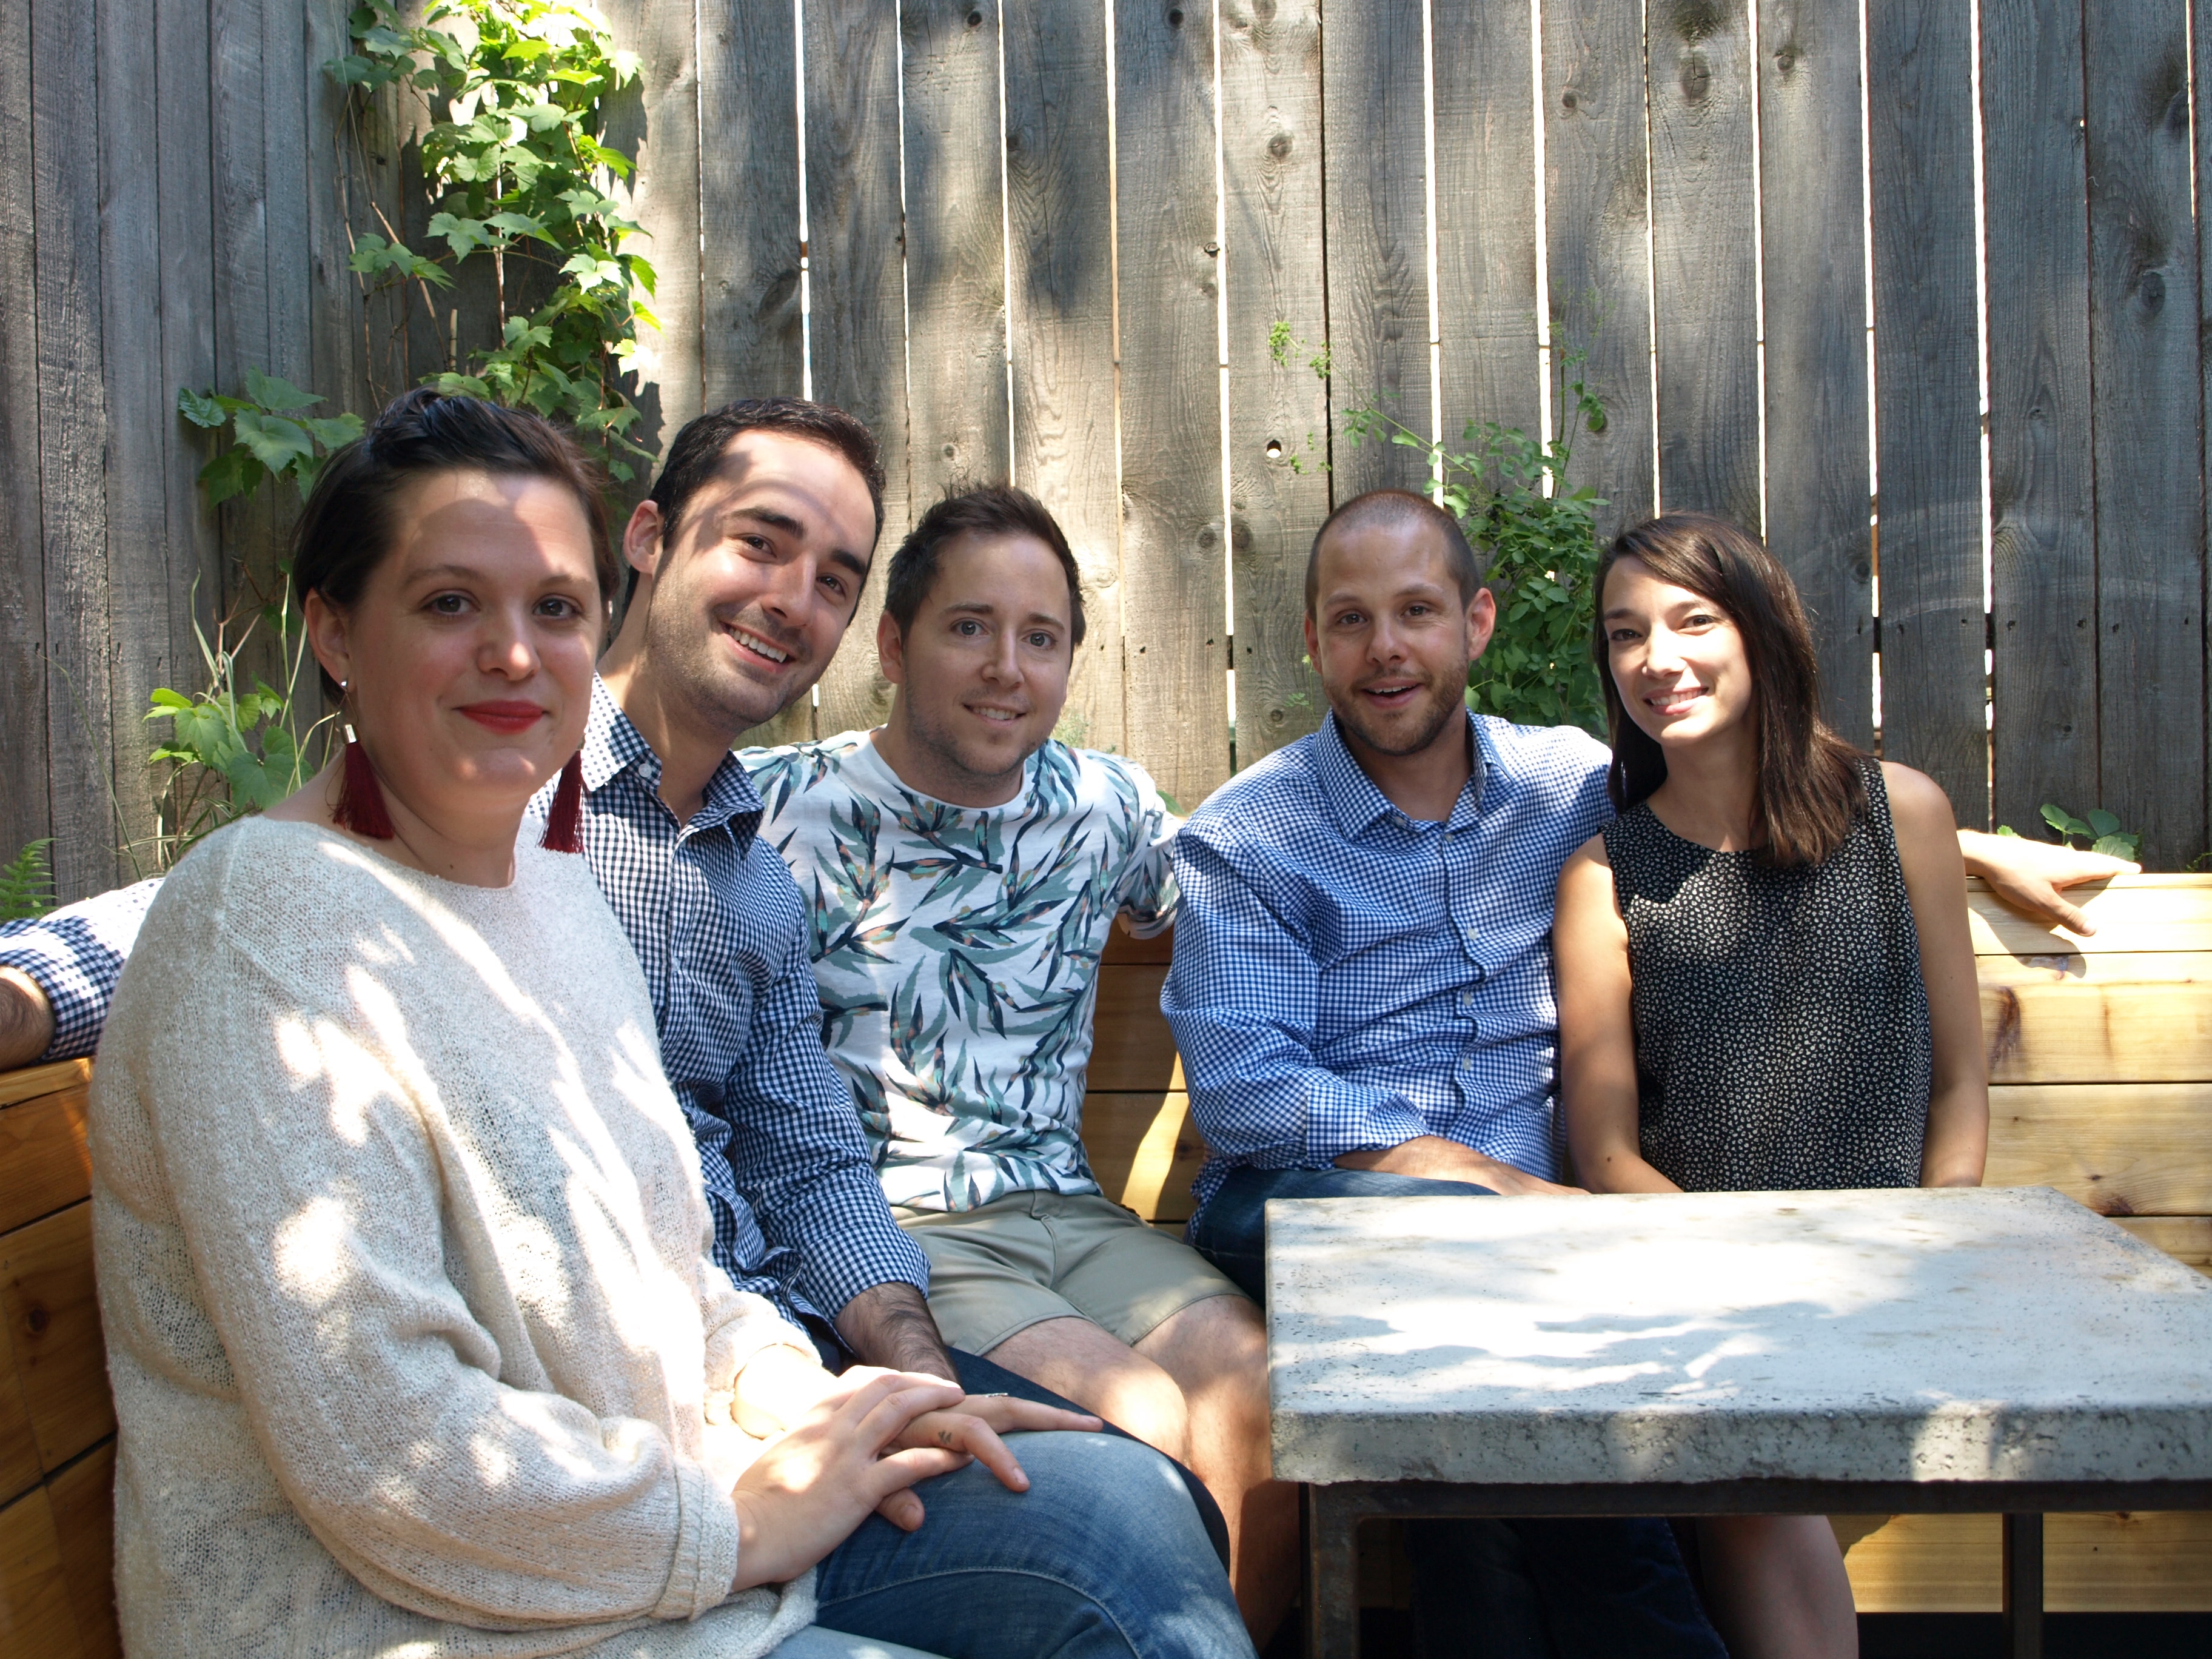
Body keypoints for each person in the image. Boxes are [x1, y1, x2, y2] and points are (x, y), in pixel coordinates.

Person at [9, 395, 1251, 1656]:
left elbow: (768, 1182)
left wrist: (869, 1388)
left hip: (705, 1435)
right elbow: (221, 917)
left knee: (1132, 1510)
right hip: (475, 1585)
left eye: (552, 609)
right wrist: (29, 991)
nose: (512, 654)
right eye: (450, 604)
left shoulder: (650, 872)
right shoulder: (465, 821)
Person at [1160, 488, 2129, 1657]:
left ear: (1476, 624)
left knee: (1478, 1399)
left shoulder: (1562, 781)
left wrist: (1965, 845)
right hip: (1322, 1209)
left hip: (1526, 1257)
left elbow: (1741, 791)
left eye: (1416, 611)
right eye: (1351, 620)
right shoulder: (1250, 835)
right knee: (1478, 1284)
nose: (1386, 649)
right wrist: (1484, 1182)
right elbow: (1249, 1091)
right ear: (1313, 641)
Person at [740, 485, 1295, 1641]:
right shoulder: (783, 812)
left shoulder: (1107, 808)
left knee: (1262, 1391)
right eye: (969, 627)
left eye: (1040, 638)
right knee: (1137, 1412)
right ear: (894, 646)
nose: (1006, 667)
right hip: (905, 1230)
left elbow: (1224, 922)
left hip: (1075, 1216)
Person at [1552, 512, 1990, 1658]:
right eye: (1625, 634)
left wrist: (1938, 1238)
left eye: (1693, 620)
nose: (1659, 658)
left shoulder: (1906, 816)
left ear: (1762, 633)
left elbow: (1957, 1081)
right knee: (1751, 1460)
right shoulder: (1607, 877)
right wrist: (1742, 1275)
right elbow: (1603, 1154)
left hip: (1901, 1280)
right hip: (1704, 1292)